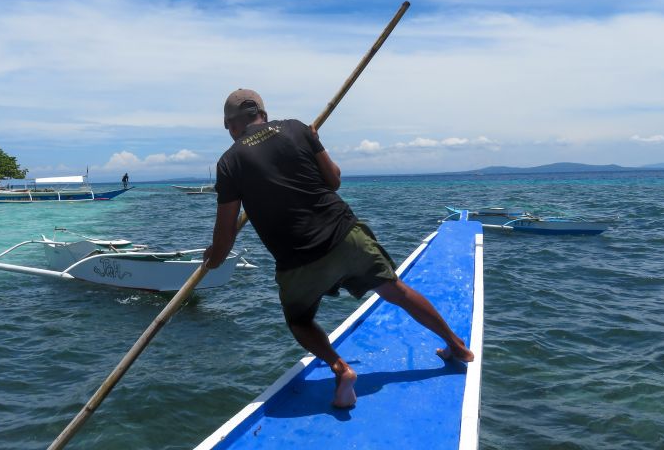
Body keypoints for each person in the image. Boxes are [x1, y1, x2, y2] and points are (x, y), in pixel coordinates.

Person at [203, 88, 474, 409]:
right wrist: (311, 142)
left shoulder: (230, 161)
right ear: (262, 113)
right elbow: (333, 181)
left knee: (300, 322)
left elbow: (225, 234)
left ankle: (340, 368)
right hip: (343, 233)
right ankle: (456, 345)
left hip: (297, 258)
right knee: (395, 290)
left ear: (231, 124)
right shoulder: (297, 129)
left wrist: (214, 258)